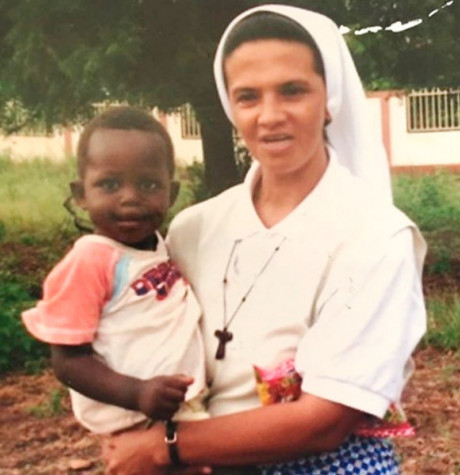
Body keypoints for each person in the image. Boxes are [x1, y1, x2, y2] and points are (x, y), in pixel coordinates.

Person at [102, 5, 427, 474]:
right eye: (248, 97)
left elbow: (325, 420)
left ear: (329, 98)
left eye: (292, 91)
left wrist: (164, 447)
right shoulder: (193, 229)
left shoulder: (375, 236)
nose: (270, 116)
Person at [21, 106, 208, 435]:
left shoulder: (161, 246)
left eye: (149, 184)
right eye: (109, 185)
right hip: (136, 418)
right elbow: (68, 362)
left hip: (181, 408)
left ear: (172, 193)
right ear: (81, 194)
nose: (130, 198)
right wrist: (138, 393)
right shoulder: (89, 261)